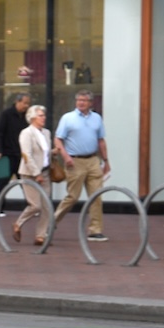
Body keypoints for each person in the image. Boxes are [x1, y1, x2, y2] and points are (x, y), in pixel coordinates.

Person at [52, 89, 110, 242]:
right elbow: (58, 140)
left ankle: (95, 230)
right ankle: (52, 222)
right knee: (72, 197)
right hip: (74, 160)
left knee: (96, 196)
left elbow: (101, 141)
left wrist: (106, 161)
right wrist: (65, 156)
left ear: (91, 103)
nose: (81, 103)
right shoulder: (68, 118)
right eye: (79, 100)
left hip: (92, 160)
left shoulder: (97, 118)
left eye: (84, 100)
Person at [12, 104, 54, 247]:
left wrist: (53, 152)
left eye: (44, 115)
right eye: (41, 116)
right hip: (29, 174)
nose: (44, 118)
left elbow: (44, 151)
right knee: (35, 205)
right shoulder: (26, 133)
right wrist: (36, 173)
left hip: (46, 172)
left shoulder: (46, 133)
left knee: (46, 206)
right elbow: (26, 155)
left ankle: (40, 235)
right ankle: (18, 223)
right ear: (32, 118)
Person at [0, 92, 30, 211]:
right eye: (24, 103)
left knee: (25, 183)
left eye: (28, 104)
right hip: (8, 155)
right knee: (3, 183)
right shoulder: (6, 114)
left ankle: (32, 207)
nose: (26, 106)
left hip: (21, 155)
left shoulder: (27, 117)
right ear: (17, 102)